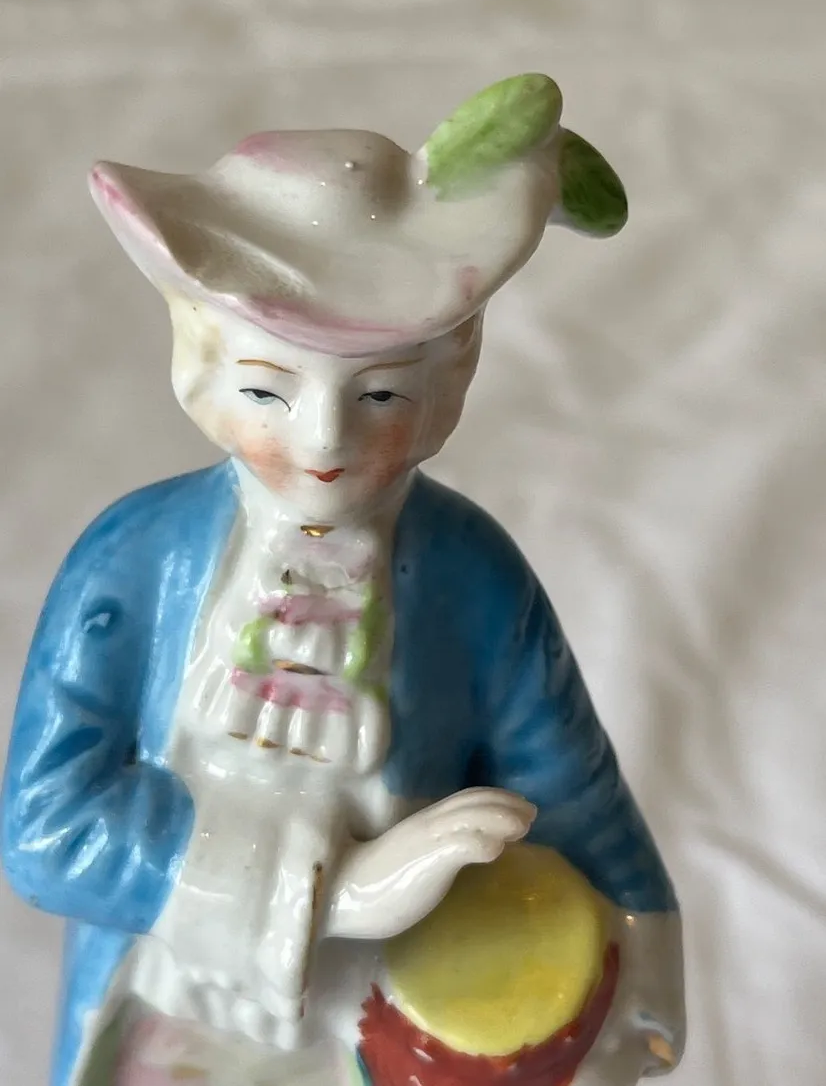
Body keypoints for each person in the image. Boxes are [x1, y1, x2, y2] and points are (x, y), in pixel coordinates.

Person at [1, 74, 684, 1086]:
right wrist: (337, 891)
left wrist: (647, 961)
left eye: (379, 395)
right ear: (198, 369)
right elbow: (46, 826)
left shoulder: (471, 576)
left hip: (390, 1029)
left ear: (452, 379)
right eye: (267, 390)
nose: (323, 440)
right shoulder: (134, 561)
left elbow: (568, 788)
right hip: (173, 1014)